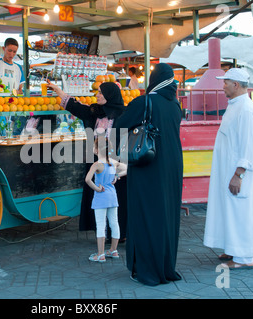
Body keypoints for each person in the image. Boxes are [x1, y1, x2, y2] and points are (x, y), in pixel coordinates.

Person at [114, 63, 183, 286]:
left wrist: (121, 153)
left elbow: (119, 126)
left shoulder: (146, 102)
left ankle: (146, 270)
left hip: (148, 167)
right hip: (172, 167)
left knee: (145, 216)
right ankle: (165, 267)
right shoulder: (175, 105)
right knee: (167, 216)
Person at [47, 80, 128, 240]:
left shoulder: (124, 115)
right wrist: (57, 89)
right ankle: (103, 233)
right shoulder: (94, 111)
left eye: (100, 92)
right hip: (97, 165)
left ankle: (120, 234)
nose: (97, 95)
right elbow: (73, 105)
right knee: (98, 197)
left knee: (118, 198)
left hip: (115, 166)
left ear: (109, 95)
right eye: (97, 92)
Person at [203, 68, 253, 270]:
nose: (223, 86)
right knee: (229, 210)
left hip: (238, 173)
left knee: (240, 212)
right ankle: (233, 248)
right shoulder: (236, 105)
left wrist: (239, 174)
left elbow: (247, 145)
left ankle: (243, 257)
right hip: (229, 170)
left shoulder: (245, 109)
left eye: (225, 82)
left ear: (236, 85)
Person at [85, 134, 127, 262]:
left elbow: (87, 179)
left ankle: (101, 254)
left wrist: (97, 189)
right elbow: (127, 168)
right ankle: (113, 250)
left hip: (100, 198)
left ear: (97, 150)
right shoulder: (113, 163)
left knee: (101, 225)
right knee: (114, 223)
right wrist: (117, 176)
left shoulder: (96, 165)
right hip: (112, 197)